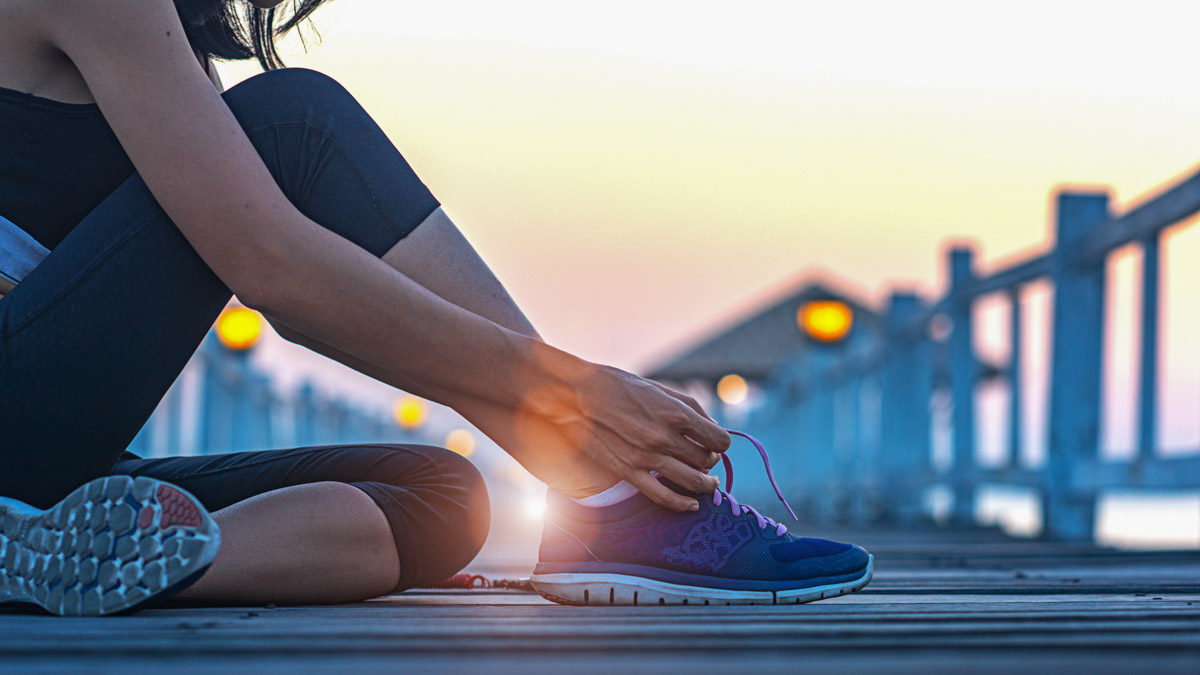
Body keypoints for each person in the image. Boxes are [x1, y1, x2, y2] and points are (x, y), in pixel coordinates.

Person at [0, 0, 871, 616]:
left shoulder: (158, 27)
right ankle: (604, 490)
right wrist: (575, 396)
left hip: (35, 472)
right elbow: (269, 264)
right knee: (294, 123)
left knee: (441, 492)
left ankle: (57, 559)